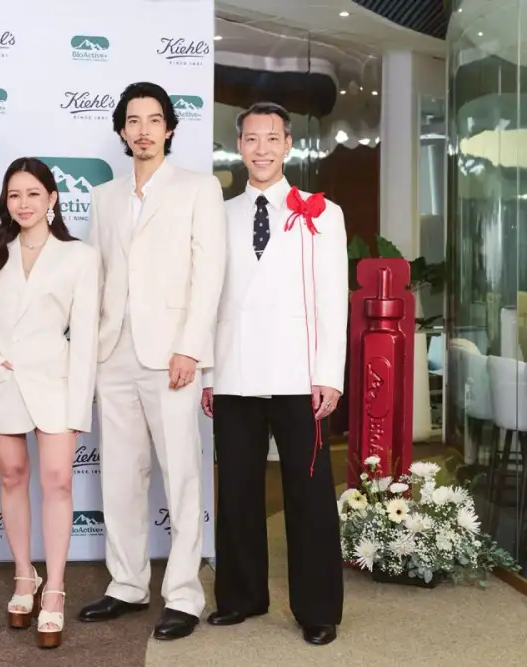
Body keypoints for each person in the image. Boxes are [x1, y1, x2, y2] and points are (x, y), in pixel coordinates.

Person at [78, 81, 226, 641]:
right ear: (122, 130)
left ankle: (184, 593)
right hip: (113, 351)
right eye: (133, 121)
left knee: (182, 476)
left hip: (171, 354)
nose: (143, 130)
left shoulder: (198, 187)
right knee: (120, 476)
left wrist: (191, 347)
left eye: (154, 120)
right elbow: (98, 275)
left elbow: (209, 274)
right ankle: (127, 584)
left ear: (169, 128)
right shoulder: (104, 196)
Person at [201, 102, 347, 646]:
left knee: (308, 493)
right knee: (238, 490)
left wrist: (329, 373)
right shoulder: (218, 214)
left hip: (298, 373)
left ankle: (318, 609)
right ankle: (241, 596)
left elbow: (332, 299)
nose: (261, 149)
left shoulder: (323, 213)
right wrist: (208, 373)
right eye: (251, 139)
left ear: (288, 145)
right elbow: (207, 299)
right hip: (234, 369)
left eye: (272, 138)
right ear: (239, 146)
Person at [0, 157, 100, 649]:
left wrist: (79, 406)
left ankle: (55, 587)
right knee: (12, 476)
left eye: (33, 193)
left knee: (58, 480)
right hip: (1, 381)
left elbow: (85, 339)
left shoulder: (79, 257)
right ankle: (25, 575)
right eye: (14, 194)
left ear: (52, 198)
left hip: (56, 384)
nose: (23, 203)